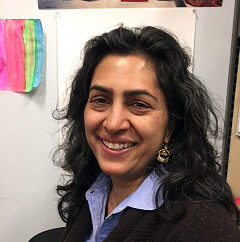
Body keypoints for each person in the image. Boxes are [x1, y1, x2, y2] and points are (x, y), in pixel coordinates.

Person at [54, 26, 240, 242]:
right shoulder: (92, 189)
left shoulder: (203, 227)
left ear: (170, 126)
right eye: (100, 100)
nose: (114, 124)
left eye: (139, 104)